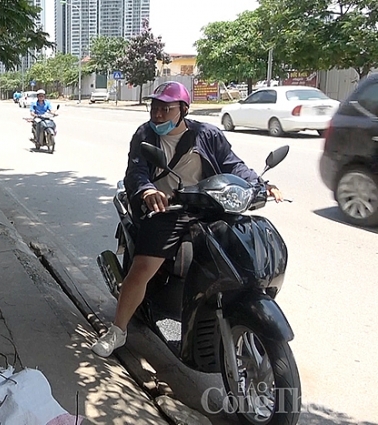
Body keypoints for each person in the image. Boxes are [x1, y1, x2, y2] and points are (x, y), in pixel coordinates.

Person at [91, 81, 283, 358]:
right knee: (143, 267)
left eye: (165, 109)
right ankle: (117, 331)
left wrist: (261, 183)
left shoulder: (207, 134)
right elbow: (136, 171)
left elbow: (232, 164)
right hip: (167, 208)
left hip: (209, 205)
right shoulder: (144, 134)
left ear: (182, 109)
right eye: (154, 108)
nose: (157, 115)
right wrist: (148, 191)